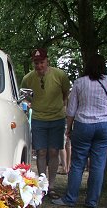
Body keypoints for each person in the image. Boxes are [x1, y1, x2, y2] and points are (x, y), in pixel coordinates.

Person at [53, 54, 107, 208]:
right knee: (98, 164)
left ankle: (70, 198)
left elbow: (72, 109)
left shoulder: (80, 83)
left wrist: (68, 129)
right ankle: (92, 201)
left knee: (78, 162)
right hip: (105, 124)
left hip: (84, 124)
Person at [21, 48, 71, 199]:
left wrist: (59, 107)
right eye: (36, 63)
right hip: (38, 118)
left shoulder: (60, 75)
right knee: (41, 152)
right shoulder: (28, 78)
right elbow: (25, 97)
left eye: (41, 62)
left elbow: (65, 93)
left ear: (47, 61)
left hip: (57, 118)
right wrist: (35, 105)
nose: (39, 66)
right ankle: (42, 184)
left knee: (54, 151)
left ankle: (52, 186)